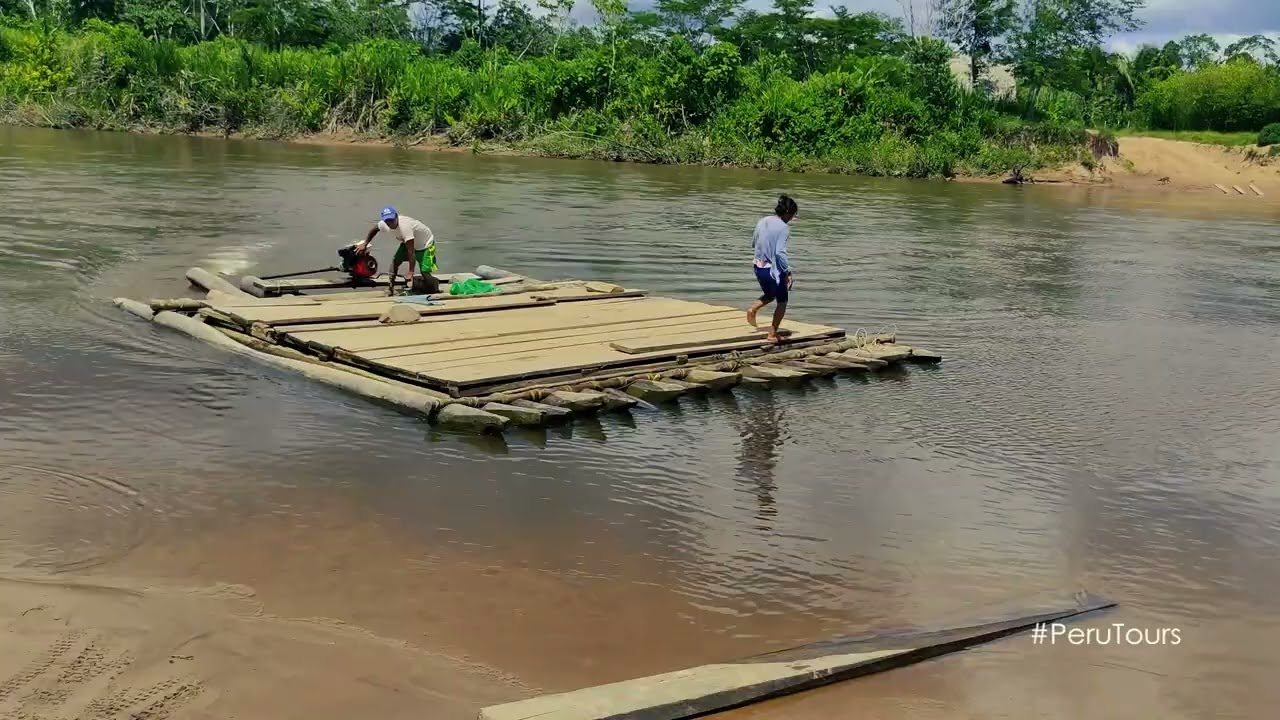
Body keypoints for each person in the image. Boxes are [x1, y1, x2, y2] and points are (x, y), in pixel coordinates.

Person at [746, 194, 797, 343]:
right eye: (793, 215)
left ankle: (753, 309)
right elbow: (779, 253)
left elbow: (753, 242)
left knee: (770, 294)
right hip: (772, 270)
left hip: (757, 266)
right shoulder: (784, 228)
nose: (792, 218)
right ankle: (772, 334)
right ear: (788, 213)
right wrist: (787, 271)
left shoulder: (763, 221)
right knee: (782, 301)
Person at [357, 206, 436, 295]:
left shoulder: (405, 227)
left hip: (425, 244)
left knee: (425, 272)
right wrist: (365, 243)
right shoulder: (384, 224)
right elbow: (374, 229)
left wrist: (411, 272)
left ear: (396, 216)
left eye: (392, 220)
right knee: (395, 261)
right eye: (387, 221)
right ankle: (391, 288)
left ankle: (434, 285)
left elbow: (411, 251)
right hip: (407, 242)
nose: (390, 223)